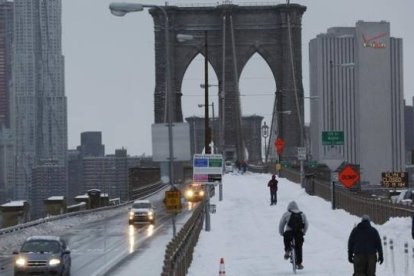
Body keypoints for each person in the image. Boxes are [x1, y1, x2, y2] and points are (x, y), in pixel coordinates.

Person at [279, 201, 308, 270]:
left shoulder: (286, 214)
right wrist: (303, 232)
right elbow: (306, 224)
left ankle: (287, 250)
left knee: (286, 239)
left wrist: (282, 233)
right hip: (299, 233)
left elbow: (281, 224)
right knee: (299, 247)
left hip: (289, 233)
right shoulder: (302, 214)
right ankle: (299, 263)